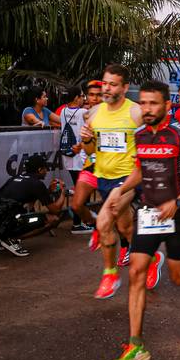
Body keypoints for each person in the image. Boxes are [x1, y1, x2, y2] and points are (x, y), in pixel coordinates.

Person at [107, 81, 180, 360]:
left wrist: (177, 203)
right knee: (137, 272)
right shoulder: (139, 136)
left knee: (178, 279)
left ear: (167, 105)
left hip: (177, 215)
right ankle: (135, 344)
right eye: (143, 103)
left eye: (153, 103)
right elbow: (140, 169)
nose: (147, 109)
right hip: (148, 215)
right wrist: (121, 189)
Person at [81, 64, 155, 299]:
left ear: (124, 87)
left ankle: (110, 275)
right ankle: (151, 258)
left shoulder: (135, 113)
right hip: (104, 176)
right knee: (125, 228)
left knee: (104, 222)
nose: (107, 88)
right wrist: (86, 140)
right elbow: (92, 150)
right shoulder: (94, 114)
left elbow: (152, 141)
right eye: (105, 83)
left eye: (113, 84)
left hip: (127, 179)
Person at [0, 155, 66, 256]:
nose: (46, 171)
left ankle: (0, 240)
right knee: (53, 219)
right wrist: (62, 191)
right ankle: (11, 239)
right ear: (39, 170)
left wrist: (48, 191)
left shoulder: (14, 178)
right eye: (45, 168)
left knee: (21, 210)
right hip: (3, 224)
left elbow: (27, 197)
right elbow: (55, 210)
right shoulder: (37, 184)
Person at [71, 81, 103, 247]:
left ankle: (127, 248)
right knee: (76, 205)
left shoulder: (111, 114)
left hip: (112, 167)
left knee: (119, 216)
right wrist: (80, 145)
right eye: (91, 95)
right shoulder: (86, 115)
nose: (95, 98)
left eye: (99, 95)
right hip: (91, 164)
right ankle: (96, 223)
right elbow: (89, 145)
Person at [59, 85, 93, 234]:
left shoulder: (63, 112)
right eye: (81, 96)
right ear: (75, 98)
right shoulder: (83, 112)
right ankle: (79, 223)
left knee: (78, 188)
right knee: (83, 192)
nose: (83, 98)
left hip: (68, 156)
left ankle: (79, 222)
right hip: (80, 156)